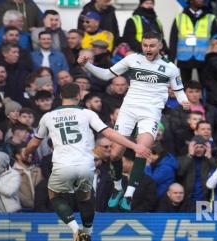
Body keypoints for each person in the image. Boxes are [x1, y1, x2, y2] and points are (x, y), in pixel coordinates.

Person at [22, 83, 150, 241]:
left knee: (55, 196)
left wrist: (26, 152)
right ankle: (87, 233)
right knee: (85, 198)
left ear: (60, 96)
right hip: (85, 164)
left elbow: (34, 143)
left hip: (62, 164)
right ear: (79, 96)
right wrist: (134, 146)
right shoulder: (87, 114)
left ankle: (76, 229)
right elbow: (109, 133)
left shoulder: (48, 117)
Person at [78, 31, 190, 211]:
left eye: (152, 45)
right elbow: (107, 75)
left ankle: (129, 194)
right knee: (115, 155)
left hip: (151, 113)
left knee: (142, 150)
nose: (148, 49)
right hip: (128, 111)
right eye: (145, 45)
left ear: (160, 45)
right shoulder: (132, 60)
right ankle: (117, 188)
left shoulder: (170, 68)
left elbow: (179, 90)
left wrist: (183, 100)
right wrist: (88, 65)